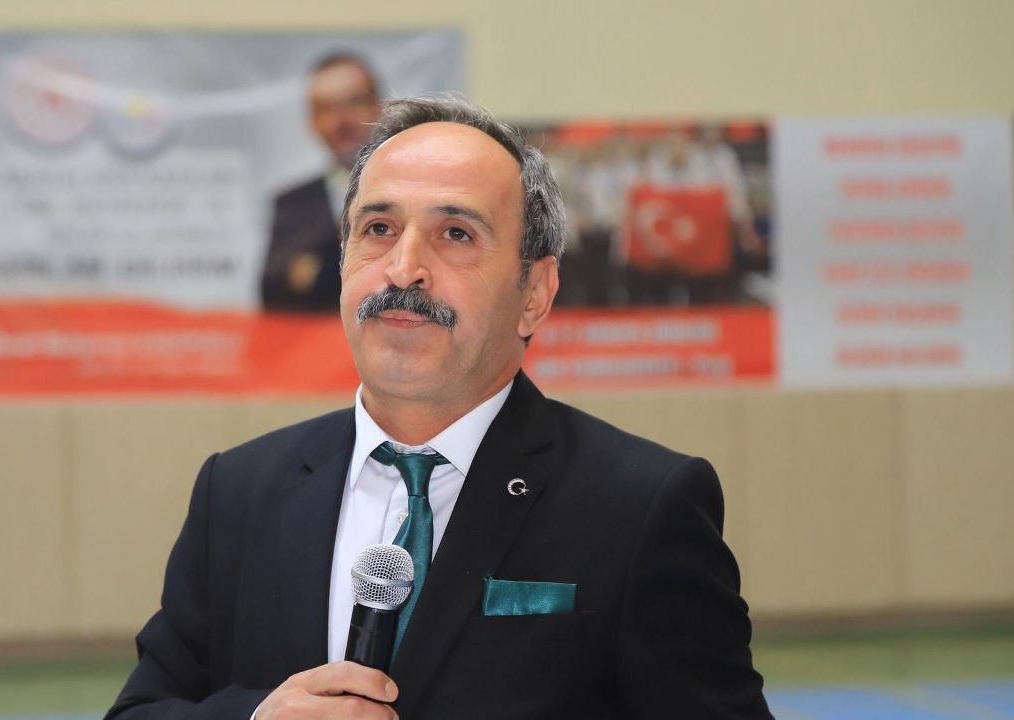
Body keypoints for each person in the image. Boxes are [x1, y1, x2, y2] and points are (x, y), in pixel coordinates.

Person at [107, 96, 773, 719]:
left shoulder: (639, 505)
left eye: (455, 233)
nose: (403, 269)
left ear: (535, 293)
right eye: (378, 228)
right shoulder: (239, 491)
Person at [260, 53, 381, 312]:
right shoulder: (292, 205)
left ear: (378, 108)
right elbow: (274, 295)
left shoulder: (413, 190)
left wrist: (314, 268)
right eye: (327, 108)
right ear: (312, 122)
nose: (342, 120)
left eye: (354, 102)